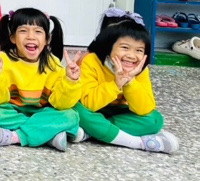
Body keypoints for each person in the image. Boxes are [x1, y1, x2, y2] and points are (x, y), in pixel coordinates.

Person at [75, 9, 179, 154]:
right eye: (125, 48)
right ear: (108, 46)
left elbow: (145, 109)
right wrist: (116, 84)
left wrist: (130, 81)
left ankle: (93, 131)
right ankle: (136, 142)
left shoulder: (140, 69)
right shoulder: (91, 61)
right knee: (77, 111)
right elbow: (88, 104)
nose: (131, 55)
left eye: (139, 50)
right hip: (93, 110)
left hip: (117, 114)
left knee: (155, 119)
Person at [0, 8, 83, 151]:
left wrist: (70, 80)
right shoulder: (1, 60)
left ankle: (15, 136)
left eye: (38, 31)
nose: (31, 37)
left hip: (43, 112)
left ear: (47, 39)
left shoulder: (53, 64)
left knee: (71, 116)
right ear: (12, 38)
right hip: (13, 112)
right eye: (23, 31)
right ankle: (46, 134)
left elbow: (61, 104)